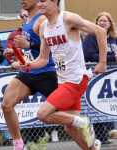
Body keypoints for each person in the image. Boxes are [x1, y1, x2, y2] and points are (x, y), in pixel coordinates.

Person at [18, 0, 107, 150]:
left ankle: (83, 122)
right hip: (63, 80)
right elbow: (43, 59)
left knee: (42, 114)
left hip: (76, 79)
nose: (39, 4)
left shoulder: (68, 19)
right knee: (69, 128)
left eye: (43, 1)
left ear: (54, 2)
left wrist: (102, 62)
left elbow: (101, 31)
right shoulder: (43, 27)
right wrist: (29, 65)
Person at [1, 1, 58, 150]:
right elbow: (30, 50)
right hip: (28, 72)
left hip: (46, 72)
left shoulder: (42, 20)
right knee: (6, 105)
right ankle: (18, 145)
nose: (22, 1)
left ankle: (87, 135)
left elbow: (53, 46)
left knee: (67, 115)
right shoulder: (27, 21)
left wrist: (29, 45)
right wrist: (16, 52)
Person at [82, 11, 117, 144]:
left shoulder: (114, 38)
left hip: (112, 77)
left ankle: (108, 133)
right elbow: (90, 56)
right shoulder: (91, 37)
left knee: (109, 104)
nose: (102, 23)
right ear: (96, 23)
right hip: (95, 76)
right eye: (100, 21)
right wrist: (112, 58)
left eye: (105, 21)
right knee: (96, 104)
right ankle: (99, 136)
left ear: (110, 24)